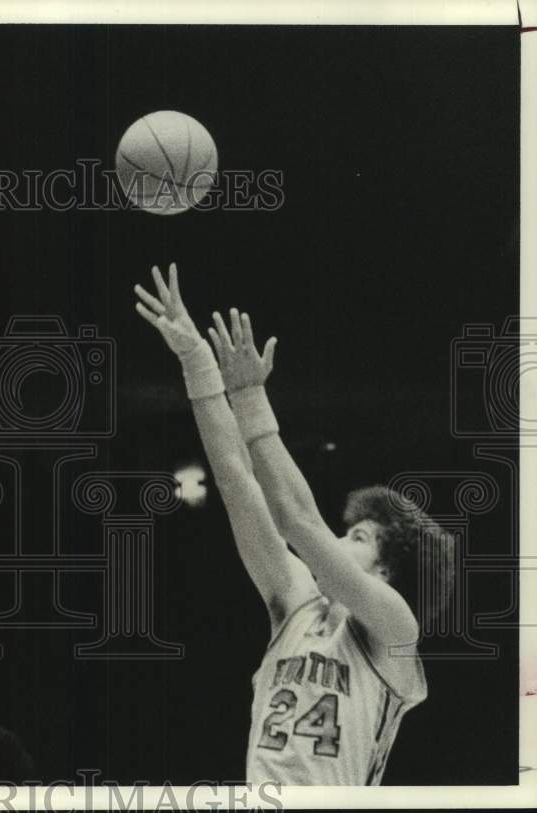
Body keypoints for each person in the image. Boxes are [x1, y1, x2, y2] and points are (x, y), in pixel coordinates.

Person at [135, 264, 454, 785]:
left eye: (358, 537)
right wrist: (197, 363)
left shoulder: (395, 631)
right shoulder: (296, 604)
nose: (335, 537)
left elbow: (297, 519)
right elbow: (238, 483)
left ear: (388, 572)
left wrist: (251, 398)